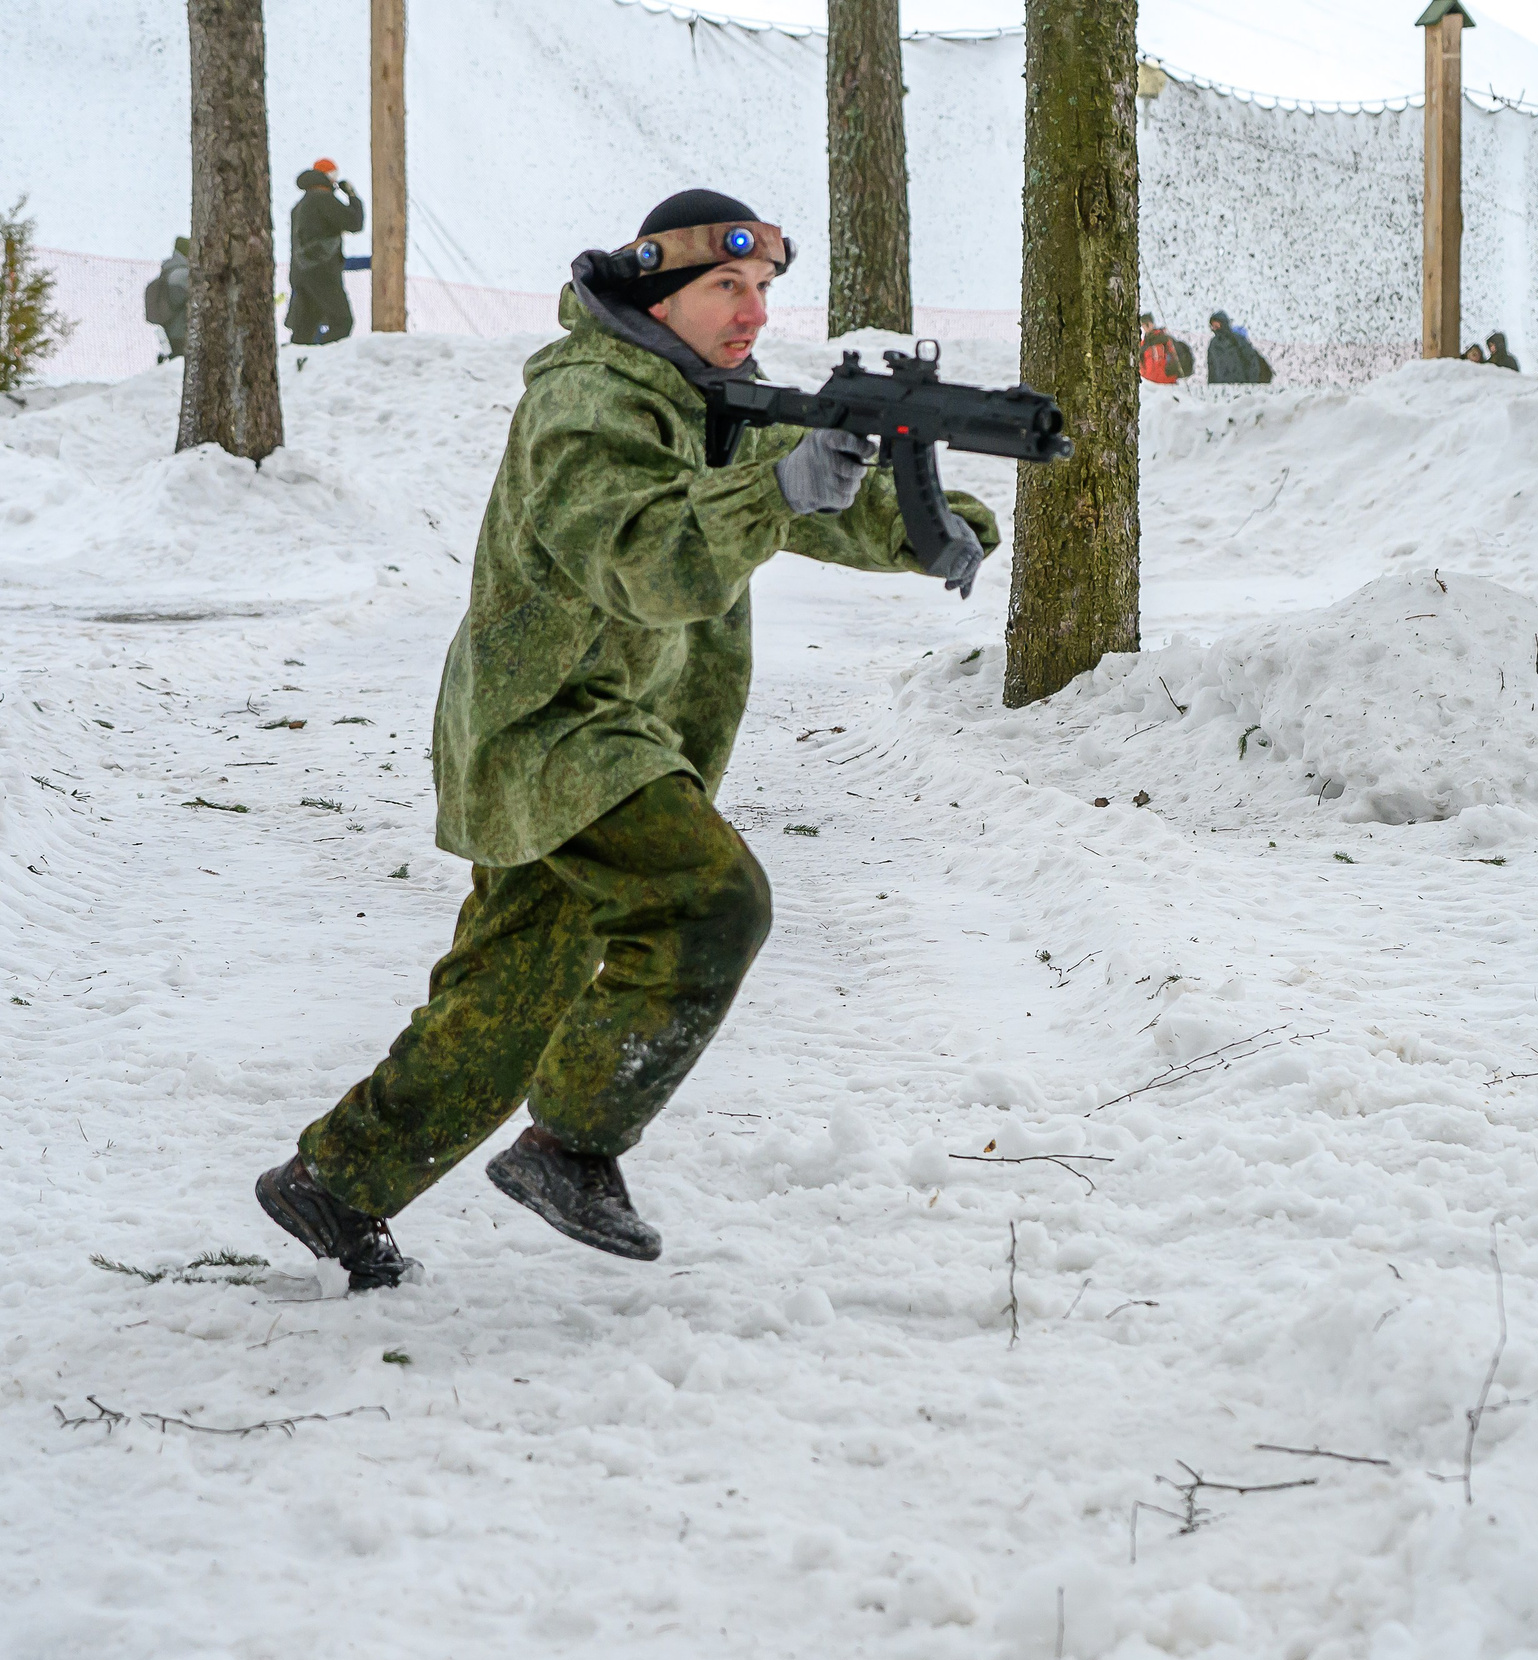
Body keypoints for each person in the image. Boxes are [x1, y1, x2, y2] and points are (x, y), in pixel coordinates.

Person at [254, 189, 1000, 1290]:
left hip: (623, 731)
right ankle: (572, 1149)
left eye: (761, 290)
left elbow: (819, 496)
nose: (752, 312)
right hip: (550, 722)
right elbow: (643, 557)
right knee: (712, 901)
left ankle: (336, 1182)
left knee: (508, 1001)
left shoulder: (722, 399)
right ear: (659, 293)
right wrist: (775, 489)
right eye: (724, 287)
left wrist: (936, 533)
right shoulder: (586, 400)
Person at [286, 159, 365, 346]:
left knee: (304, 329)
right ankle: (328, 361)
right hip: (321, 271)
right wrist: (352, 196)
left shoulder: (300, 205)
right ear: (329, 177)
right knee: (342, 321)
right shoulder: (323, 199)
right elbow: (354, 223)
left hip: (301, 272)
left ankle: (299, 367)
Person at [144, 236, 190, 361]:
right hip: (182, 331)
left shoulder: (170, 270)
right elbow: (179, 300)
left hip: (171, 331)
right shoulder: (182, 274)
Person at [1205, 310, 1271, 385]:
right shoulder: (1213, 344)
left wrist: (1250, 383)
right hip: (1221, 387)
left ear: (1223, 324)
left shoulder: (1237, 340)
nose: (1214, 328)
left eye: (1217, 325)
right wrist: (1211, 386)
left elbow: (1251, 362)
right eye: (1212, 326)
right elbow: (1211, 367)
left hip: (1240, 385)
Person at [1139, 312, 1190, 385]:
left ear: (1152, 323)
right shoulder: (1143, 345)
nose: (1146, 327)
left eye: (1147, 324)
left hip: (1166, 383)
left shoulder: (1165, 340)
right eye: (1143, 325)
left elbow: (1178, 357)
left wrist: (1169, 372)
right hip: (1149, 385)